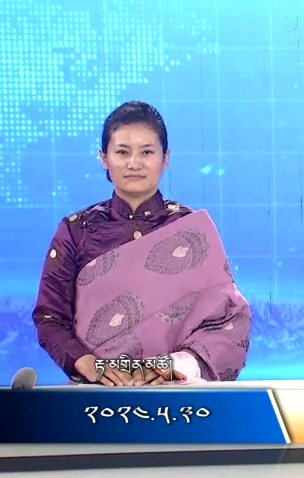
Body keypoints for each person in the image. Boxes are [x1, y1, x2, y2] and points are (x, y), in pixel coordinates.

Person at [32, 101, 251, 386]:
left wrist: (170, 368)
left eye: (147, 152)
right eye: (122, 152)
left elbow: (227, 323)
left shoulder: (192, 231)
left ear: (166, 157)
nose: (134, 163)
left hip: (176, 394)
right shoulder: (76, 231)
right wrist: (88, 365)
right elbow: (50, 317)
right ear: (103, 157)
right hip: (96, 395)